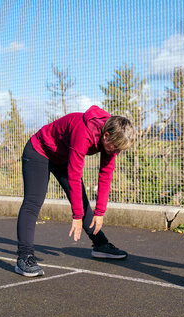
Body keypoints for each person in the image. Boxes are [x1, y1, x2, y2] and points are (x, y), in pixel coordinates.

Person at [15, 105, 135, 277]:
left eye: (119, 150)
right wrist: (76, 216)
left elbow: (105, 176)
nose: (116, 152)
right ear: (106, 135)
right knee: (33, 203)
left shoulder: (111, 136)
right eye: (115, 148)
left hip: (62, 157)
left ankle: (100, 245)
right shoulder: (83, 130)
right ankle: (24, 257)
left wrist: (100, 212)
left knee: (83, 201)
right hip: (40, 151)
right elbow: (74, 175)